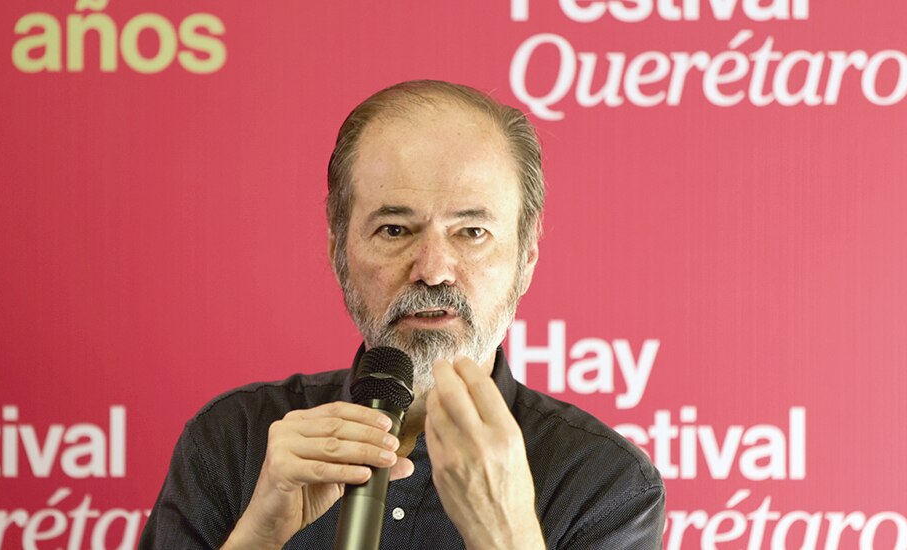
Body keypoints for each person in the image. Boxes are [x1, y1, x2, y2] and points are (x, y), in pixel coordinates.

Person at [139, 80, 665, 549]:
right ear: (338, 250)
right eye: (394, 230)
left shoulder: (605, 482)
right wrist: (258, 538)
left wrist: (507, 538)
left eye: (472, 232)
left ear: (526, 258)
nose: (433, 270)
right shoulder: (233, 440)